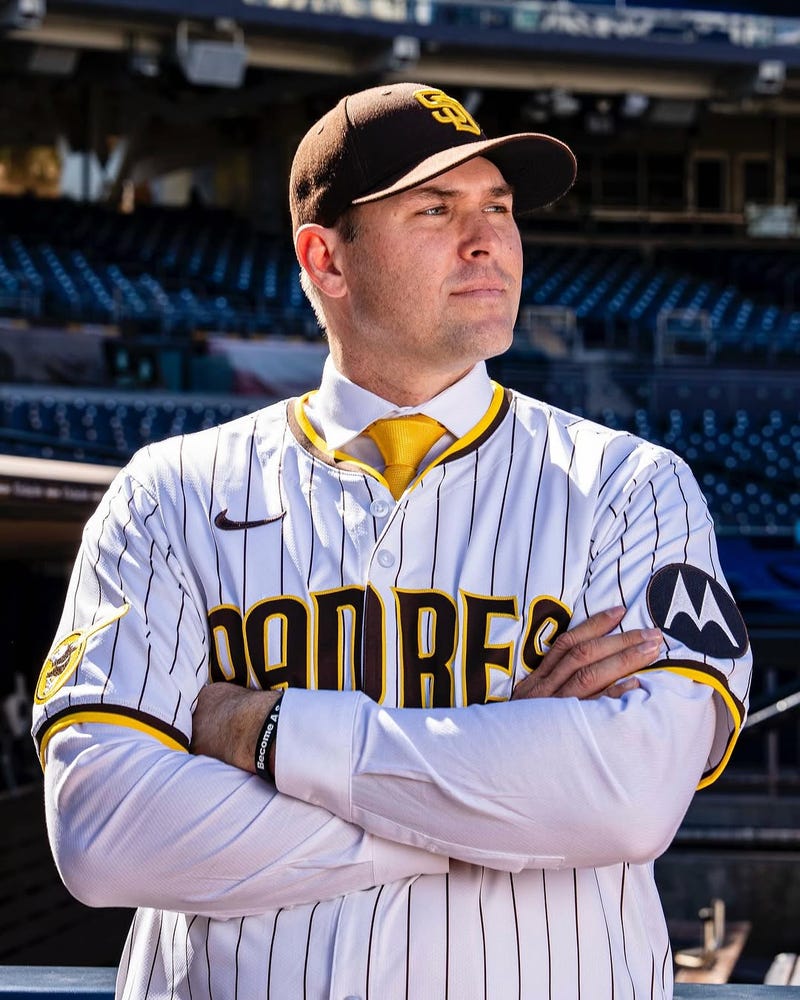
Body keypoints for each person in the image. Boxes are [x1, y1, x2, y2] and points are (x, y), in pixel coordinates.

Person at [33, 83, 752, 1000]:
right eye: (434, 208)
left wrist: (266, 732)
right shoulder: (168, 494)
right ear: (325, 258)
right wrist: (503, 801)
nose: (487, 237)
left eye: (498, 206)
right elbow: (106, 834)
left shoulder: (631, 486)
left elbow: (630, 797)